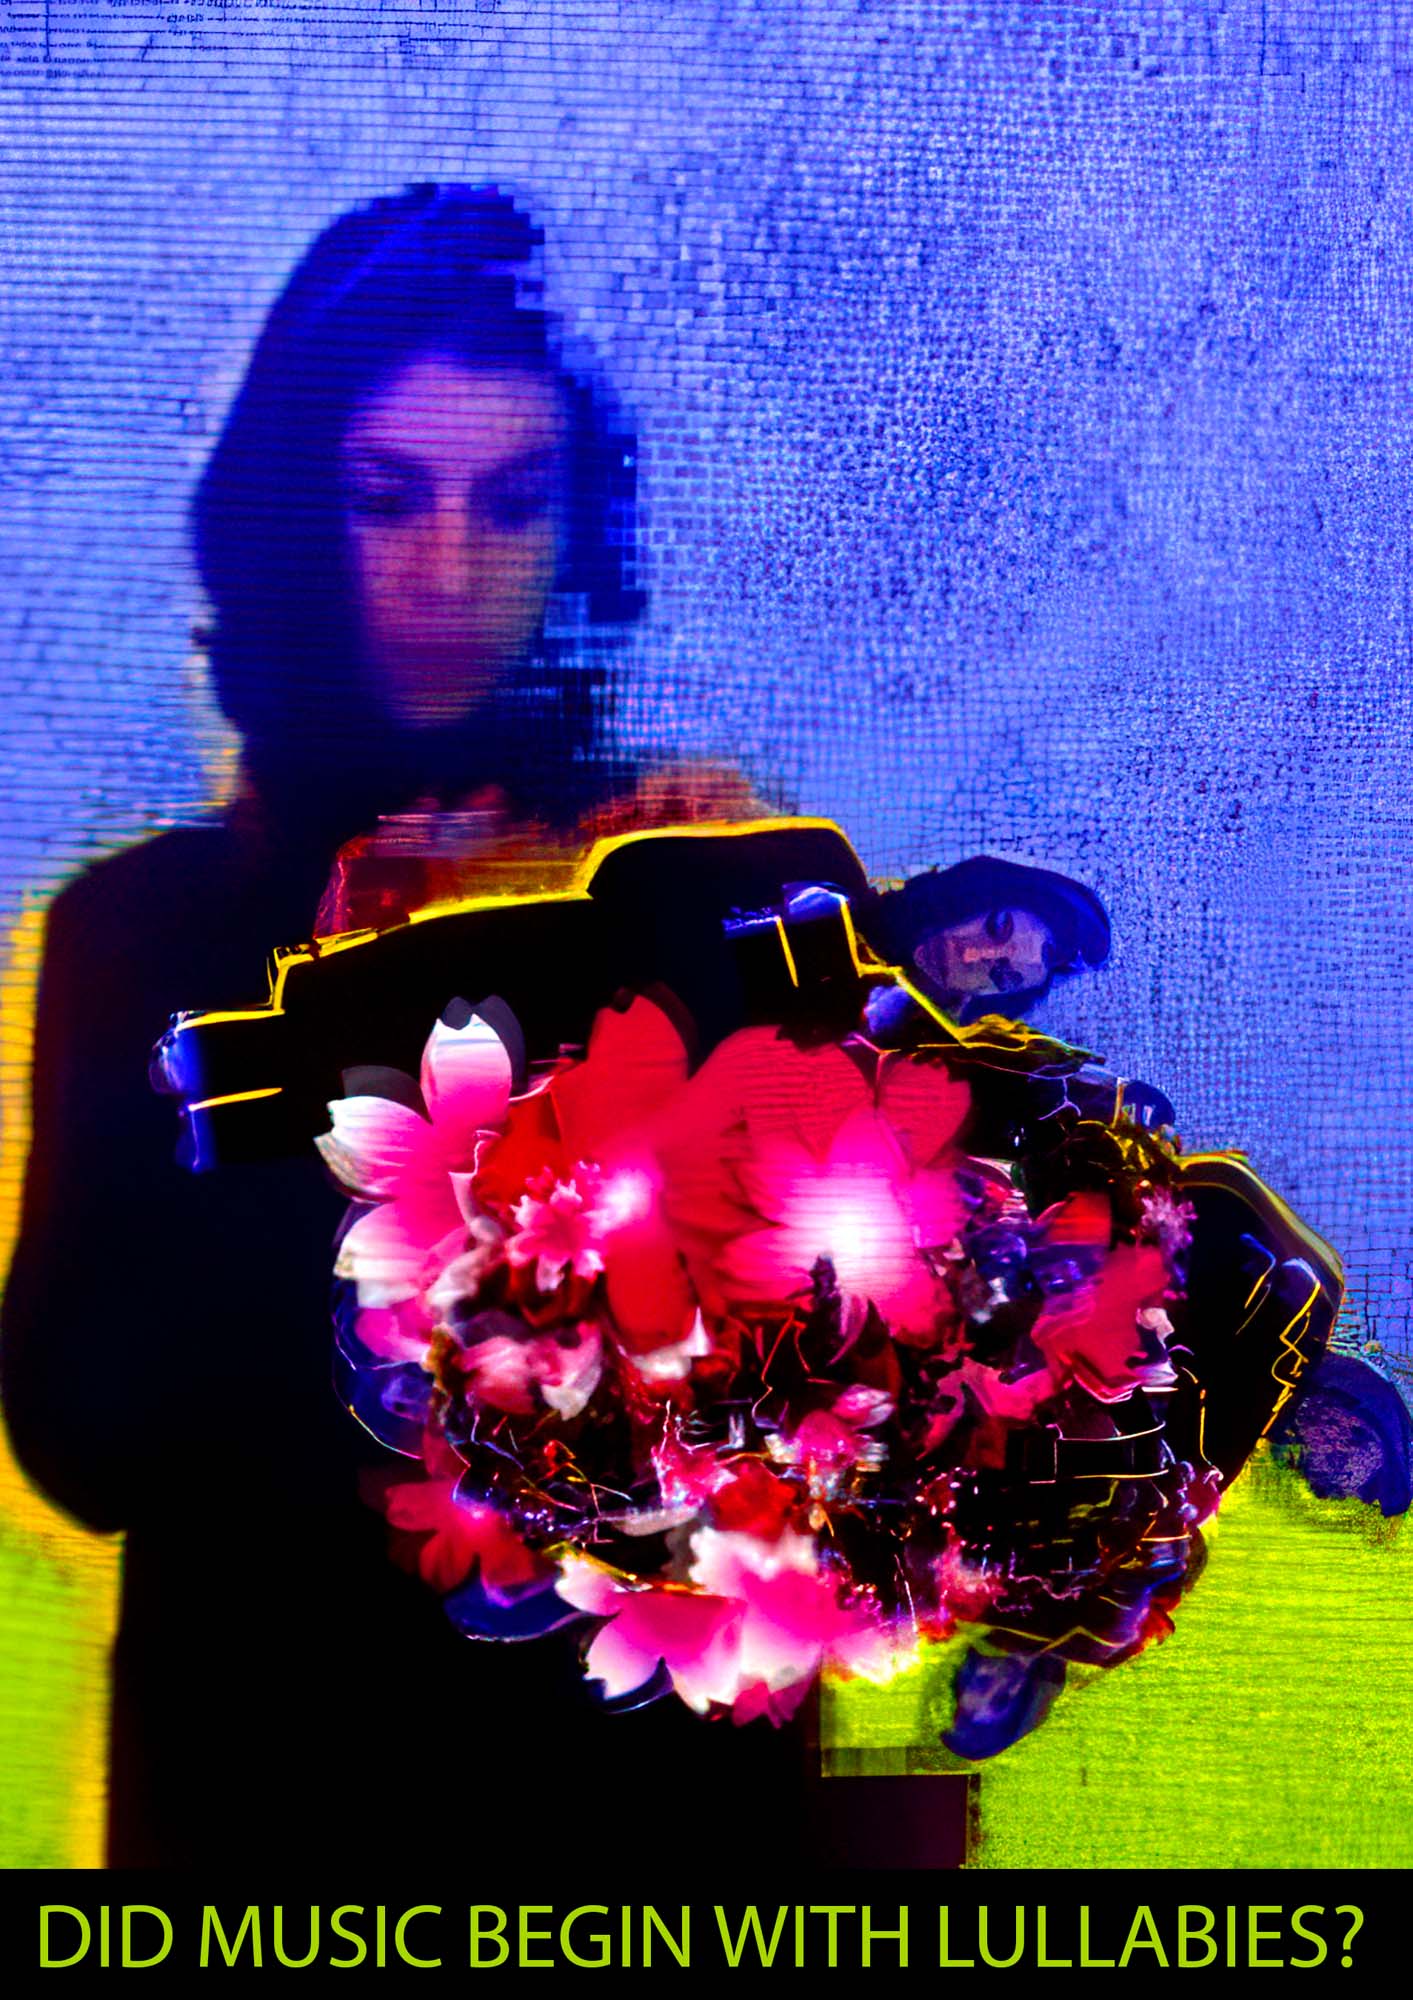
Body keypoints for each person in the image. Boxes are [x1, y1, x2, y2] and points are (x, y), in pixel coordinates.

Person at [0, 183, 860, 1871]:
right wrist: (354, 997)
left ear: (580, 532)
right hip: (275, 1824)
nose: (448, 573)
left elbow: (837, 1413)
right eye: (386, 498)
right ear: (292, 516)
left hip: (662, 1841)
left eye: (512, 503)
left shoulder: (697, 891)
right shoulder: (146, 931)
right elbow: (86, 1438)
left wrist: (739, 994)